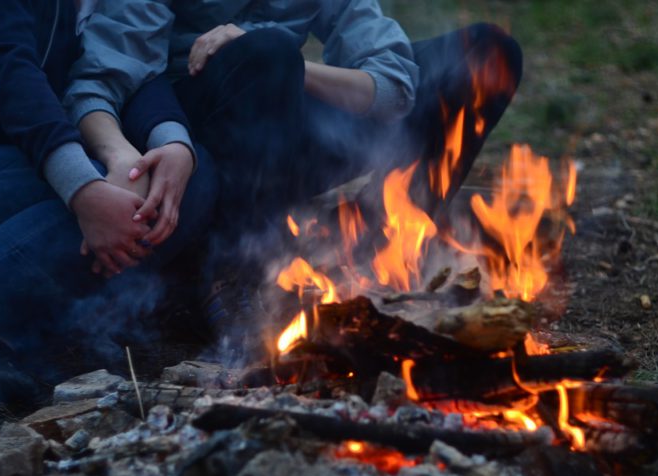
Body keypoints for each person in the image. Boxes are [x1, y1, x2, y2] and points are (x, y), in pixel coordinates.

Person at [0, 0, 217, 433]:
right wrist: (84, 190)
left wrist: (171, 142)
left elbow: (122, 64)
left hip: (12, 159)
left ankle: (1, 336)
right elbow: (7, 69)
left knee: (184, 180)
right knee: (103, 194)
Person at [66, 0, 523, 323]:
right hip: (196, 149)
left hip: (281, 129)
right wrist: (117, 156)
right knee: (267, 54)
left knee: (487, 55)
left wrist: (299, 71)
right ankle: (230, 275)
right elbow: (97, 82)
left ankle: (372, 247)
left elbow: (395, 88)